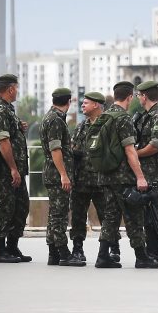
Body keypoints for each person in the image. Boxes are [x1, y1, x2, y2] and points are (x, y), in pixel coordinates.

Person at [93, 81, 158, 269]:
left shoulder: (103, 116)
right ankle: (141, 256)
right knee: (133, 216)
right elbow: (130, 151)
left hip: (105, 175)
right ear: (130, 97)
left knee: (111, 216)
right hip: (122, 177)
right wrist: (140, 176)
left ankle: (102, 255)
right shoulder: (123, 118)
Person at [0, 74, 31, 263]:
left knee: (20, 206)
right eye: (16, 88)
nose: (17, 91)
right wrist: (12, 168)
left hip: (16, 169)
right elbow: (3, 141)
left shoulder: (7, 109)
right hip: (5, 170)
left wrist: (19, 127)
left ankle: (12, 247)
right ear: (10, 89)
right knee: (4, 206)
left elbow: (9, 133)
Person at [66, 91, 109, 267]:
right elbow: (74, 147)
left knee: (107, 217)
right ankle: (77, 249)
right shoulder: (81, 126)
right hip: (81, 180)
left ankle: (111, 248)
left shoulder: (107, 125)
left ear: (97, 105)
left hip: (101, 180)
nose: (83, 105)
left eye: (86, 103)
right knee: (77, 217)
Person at [133, 78, 158, 264]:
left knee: (155, 214)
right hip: (146, 172)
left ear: (144, 96)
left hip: (156, 173)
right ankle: (152, 251)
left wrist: (134, 155)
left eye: (139, 95)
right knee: (146, 215)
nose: (138, 98)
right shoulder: (145, 116)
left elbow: (156, 145)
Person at [39, 88, 74, 266]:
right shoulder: (56, 121)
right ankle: (63, 252)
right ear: (68, 102)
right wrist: (63, 175)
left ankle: (53, 253)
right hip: (57, 174)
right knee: (59, 215)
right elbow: (55, 149)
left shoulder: (48, 117)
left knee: (54, 214)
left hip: (52, 173)